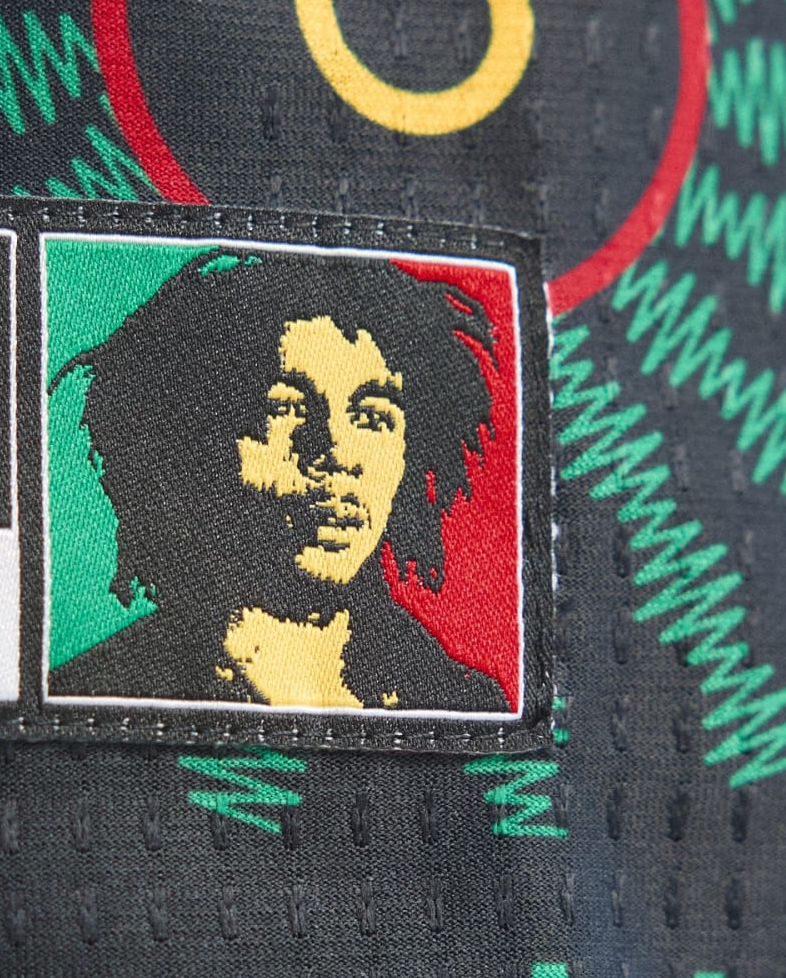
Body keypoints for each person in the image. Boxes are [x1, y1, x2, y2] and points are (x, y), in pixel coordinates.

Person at [51, 249, 507, 713]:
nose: (338, 455)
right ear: (196, 440)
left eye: (372, 417)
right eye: (288, 409)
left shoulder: (464, 703)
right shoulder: (95, 694)